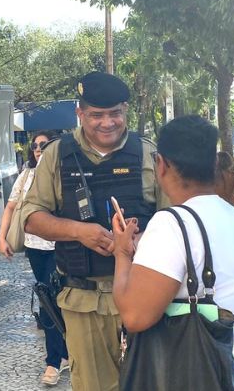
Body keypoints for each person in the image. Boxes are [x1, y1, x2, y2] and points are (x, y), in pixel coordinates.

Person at [21, 71, 162, 391]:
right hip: (83, 299)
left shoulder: (146, 153)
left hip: (144, 295)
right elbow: (30, 217)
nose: (108, 123)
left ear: (126, 109)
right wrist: (78, 231)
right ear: (80, 113)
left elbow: (172, 217)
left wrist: (140, 239)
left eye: (115, 113)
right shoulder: (57, 154)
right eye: (96, 115)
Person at [111, 115, 234, 391]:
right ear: (214, 164)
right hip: (233, 375)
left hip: (183, 377)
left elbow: (134, 316)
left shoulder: (171, 224)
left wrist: (122, 253)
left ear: (162, 164)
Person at [0, 131, 69, 386]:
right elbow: (11, 206)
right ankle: (62, 354)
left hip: (60, 246)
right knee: (47, 298)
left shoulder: (64, 172)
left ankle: (54, 361)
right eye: (36, 146)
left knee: (52, 299)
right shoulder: (26, 175)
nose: (39, 149)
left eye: (44, 145)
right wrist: (2, 237)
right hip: (35, 246)